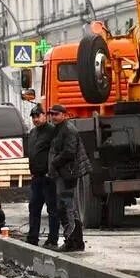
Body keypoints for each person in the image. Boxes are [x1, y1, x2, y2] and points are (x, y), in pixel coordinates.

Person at [47, 104, 92, 252]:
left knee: (68, 208)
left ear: (64, 115)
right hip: (63, 173)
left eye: (56, 114)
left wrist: (54, 162)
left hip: (68, 174)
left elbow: (69, 152)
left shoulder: (68, 130)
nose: (53, 116)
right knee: (64, 207)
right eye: (51, 114)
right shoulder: (59, 129)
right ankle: (74, 241)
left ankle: (73, 241)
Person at [25, 105, 60, 247]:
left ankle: (52, 239)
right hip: (36, 177)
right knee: (34, 208)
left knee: (52, 209)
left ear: (45, 116)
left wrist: (51, 171)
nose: (35, 119)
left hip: (48, 177)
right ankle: (33, 237)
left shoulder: (52, 131)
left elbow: (56, 151)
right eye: (33, 117)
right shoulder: (33, 133)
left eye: (38, 116)